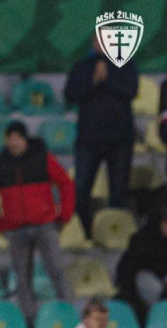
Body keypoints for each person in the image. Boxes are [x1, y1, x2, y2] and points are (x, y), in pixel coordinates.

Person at [0, 121, 73, 324]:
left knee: (56, 270)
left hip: (44, 225)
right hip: (16, 229)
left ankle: (69, 315)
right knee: (22, 278)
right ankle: (30, 321)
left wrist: (63, 215)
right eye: (11, 138)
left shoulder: (43, 158)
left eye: (18, 138)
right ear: (6, 140)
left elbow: (65, 184)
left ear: (25, 139)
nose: (14, 142)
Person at [65, 36, 138, 237]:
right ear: (94, 44)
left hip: (119, 141)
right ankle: (86, 233)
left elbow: (131, 91)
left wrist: (108, 79)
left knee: (119, 192)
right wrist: (93, 81)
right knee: (81, 190)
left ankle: (115, 235)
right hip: (89, 141)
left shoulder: (126, 65)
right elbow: (71, 94)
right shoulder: (81, 67)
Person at [115, 204, 167, 321]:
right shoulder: (142, 240)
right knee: (153, 285)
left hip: (159, 280)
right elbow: (128, 271)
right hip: (139, 283)